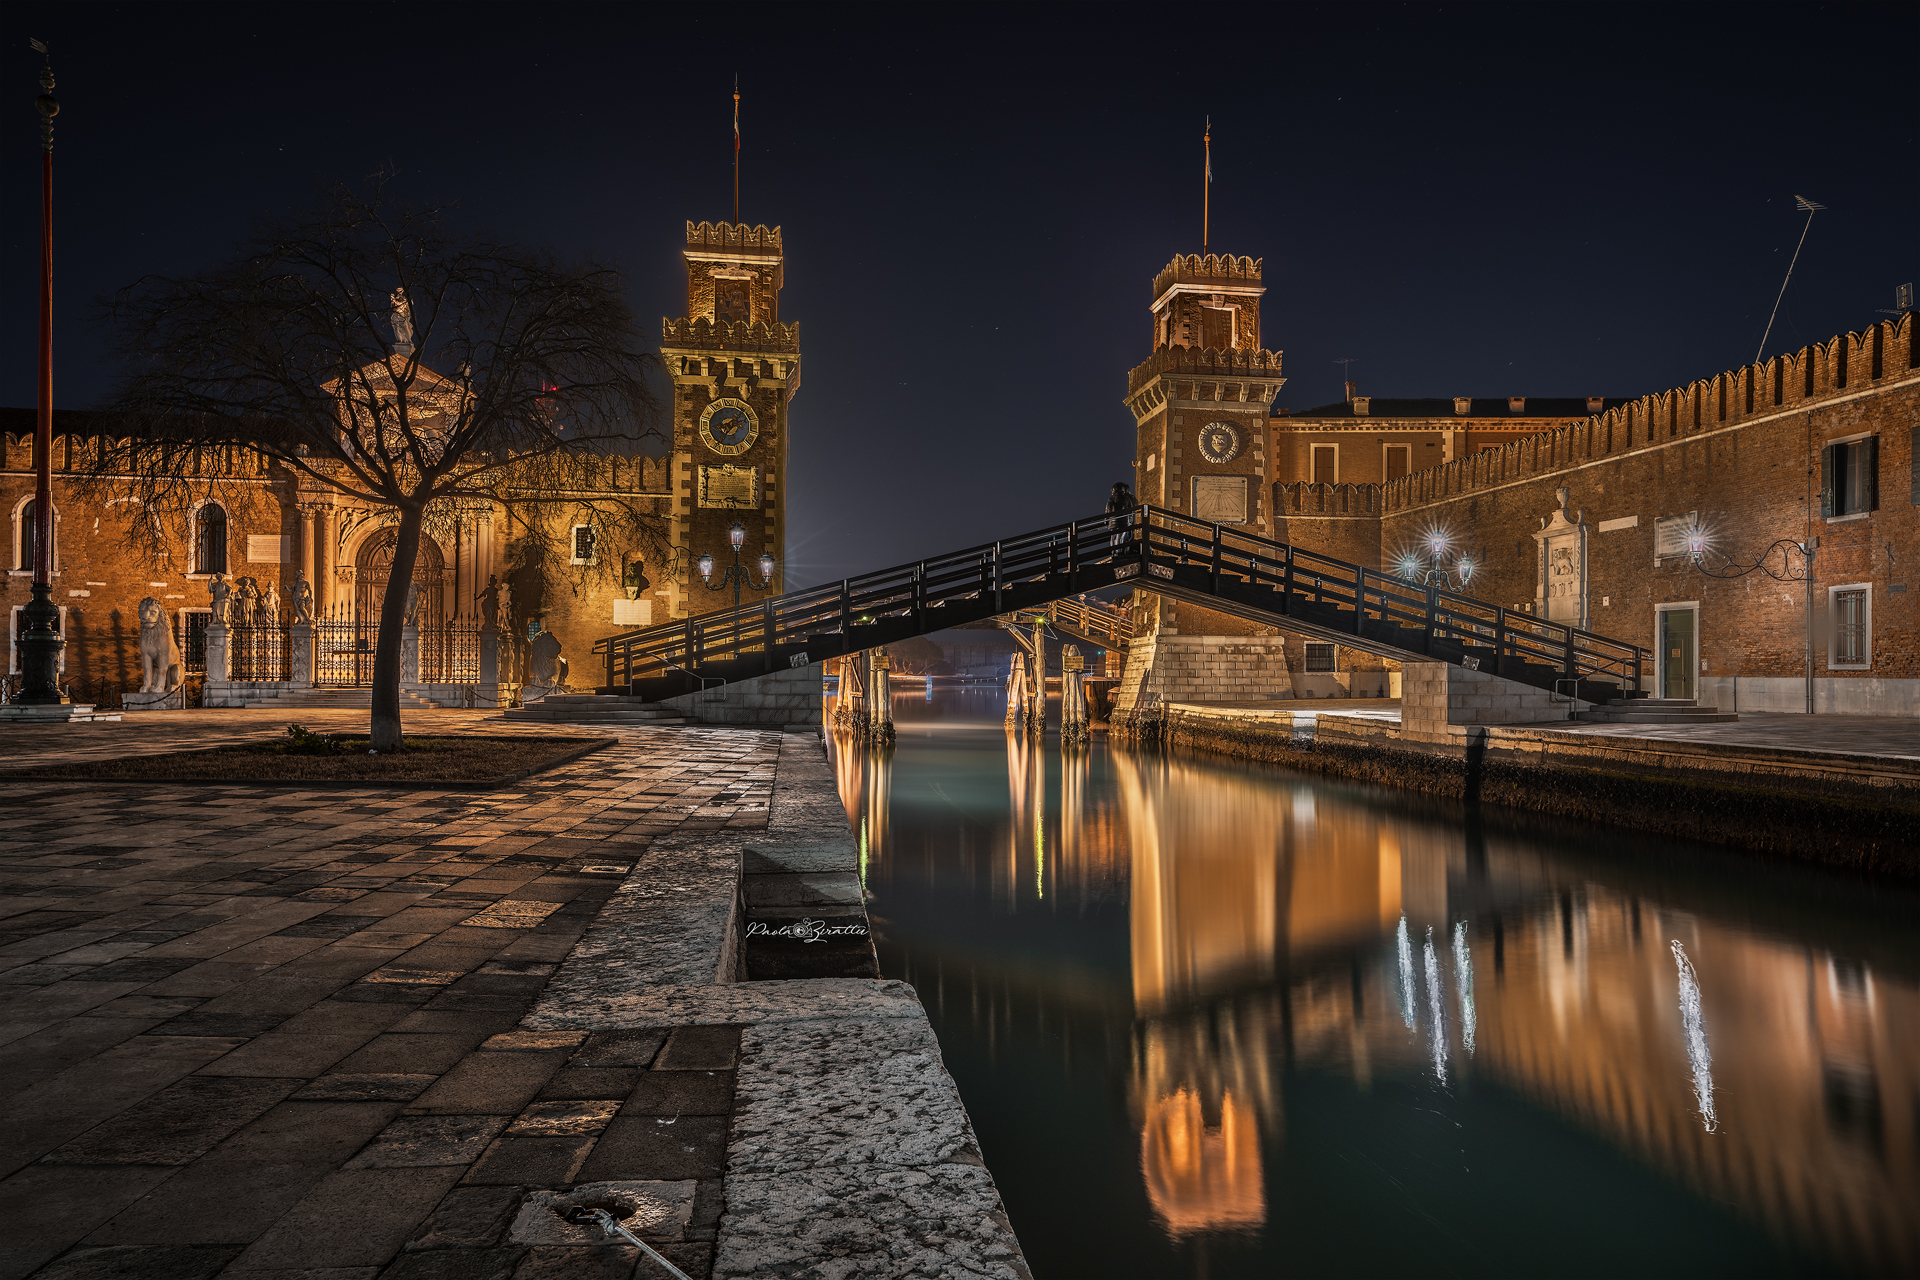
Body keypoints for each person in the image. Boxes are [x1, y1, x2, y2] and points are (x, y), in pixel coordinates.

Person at [1106, 481, 1137, 558]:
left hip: (1112, 522)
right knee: (1121, 536)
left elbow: (1107, 511)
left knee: (1113, 537)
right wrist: (1131, 522)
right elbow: (1131, 511)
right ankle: (1120, 552)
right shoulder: (1127, 498)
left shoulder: (1111, 499)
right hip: (1123, 522)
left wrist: (1106, 521)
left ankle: (1114, 551)